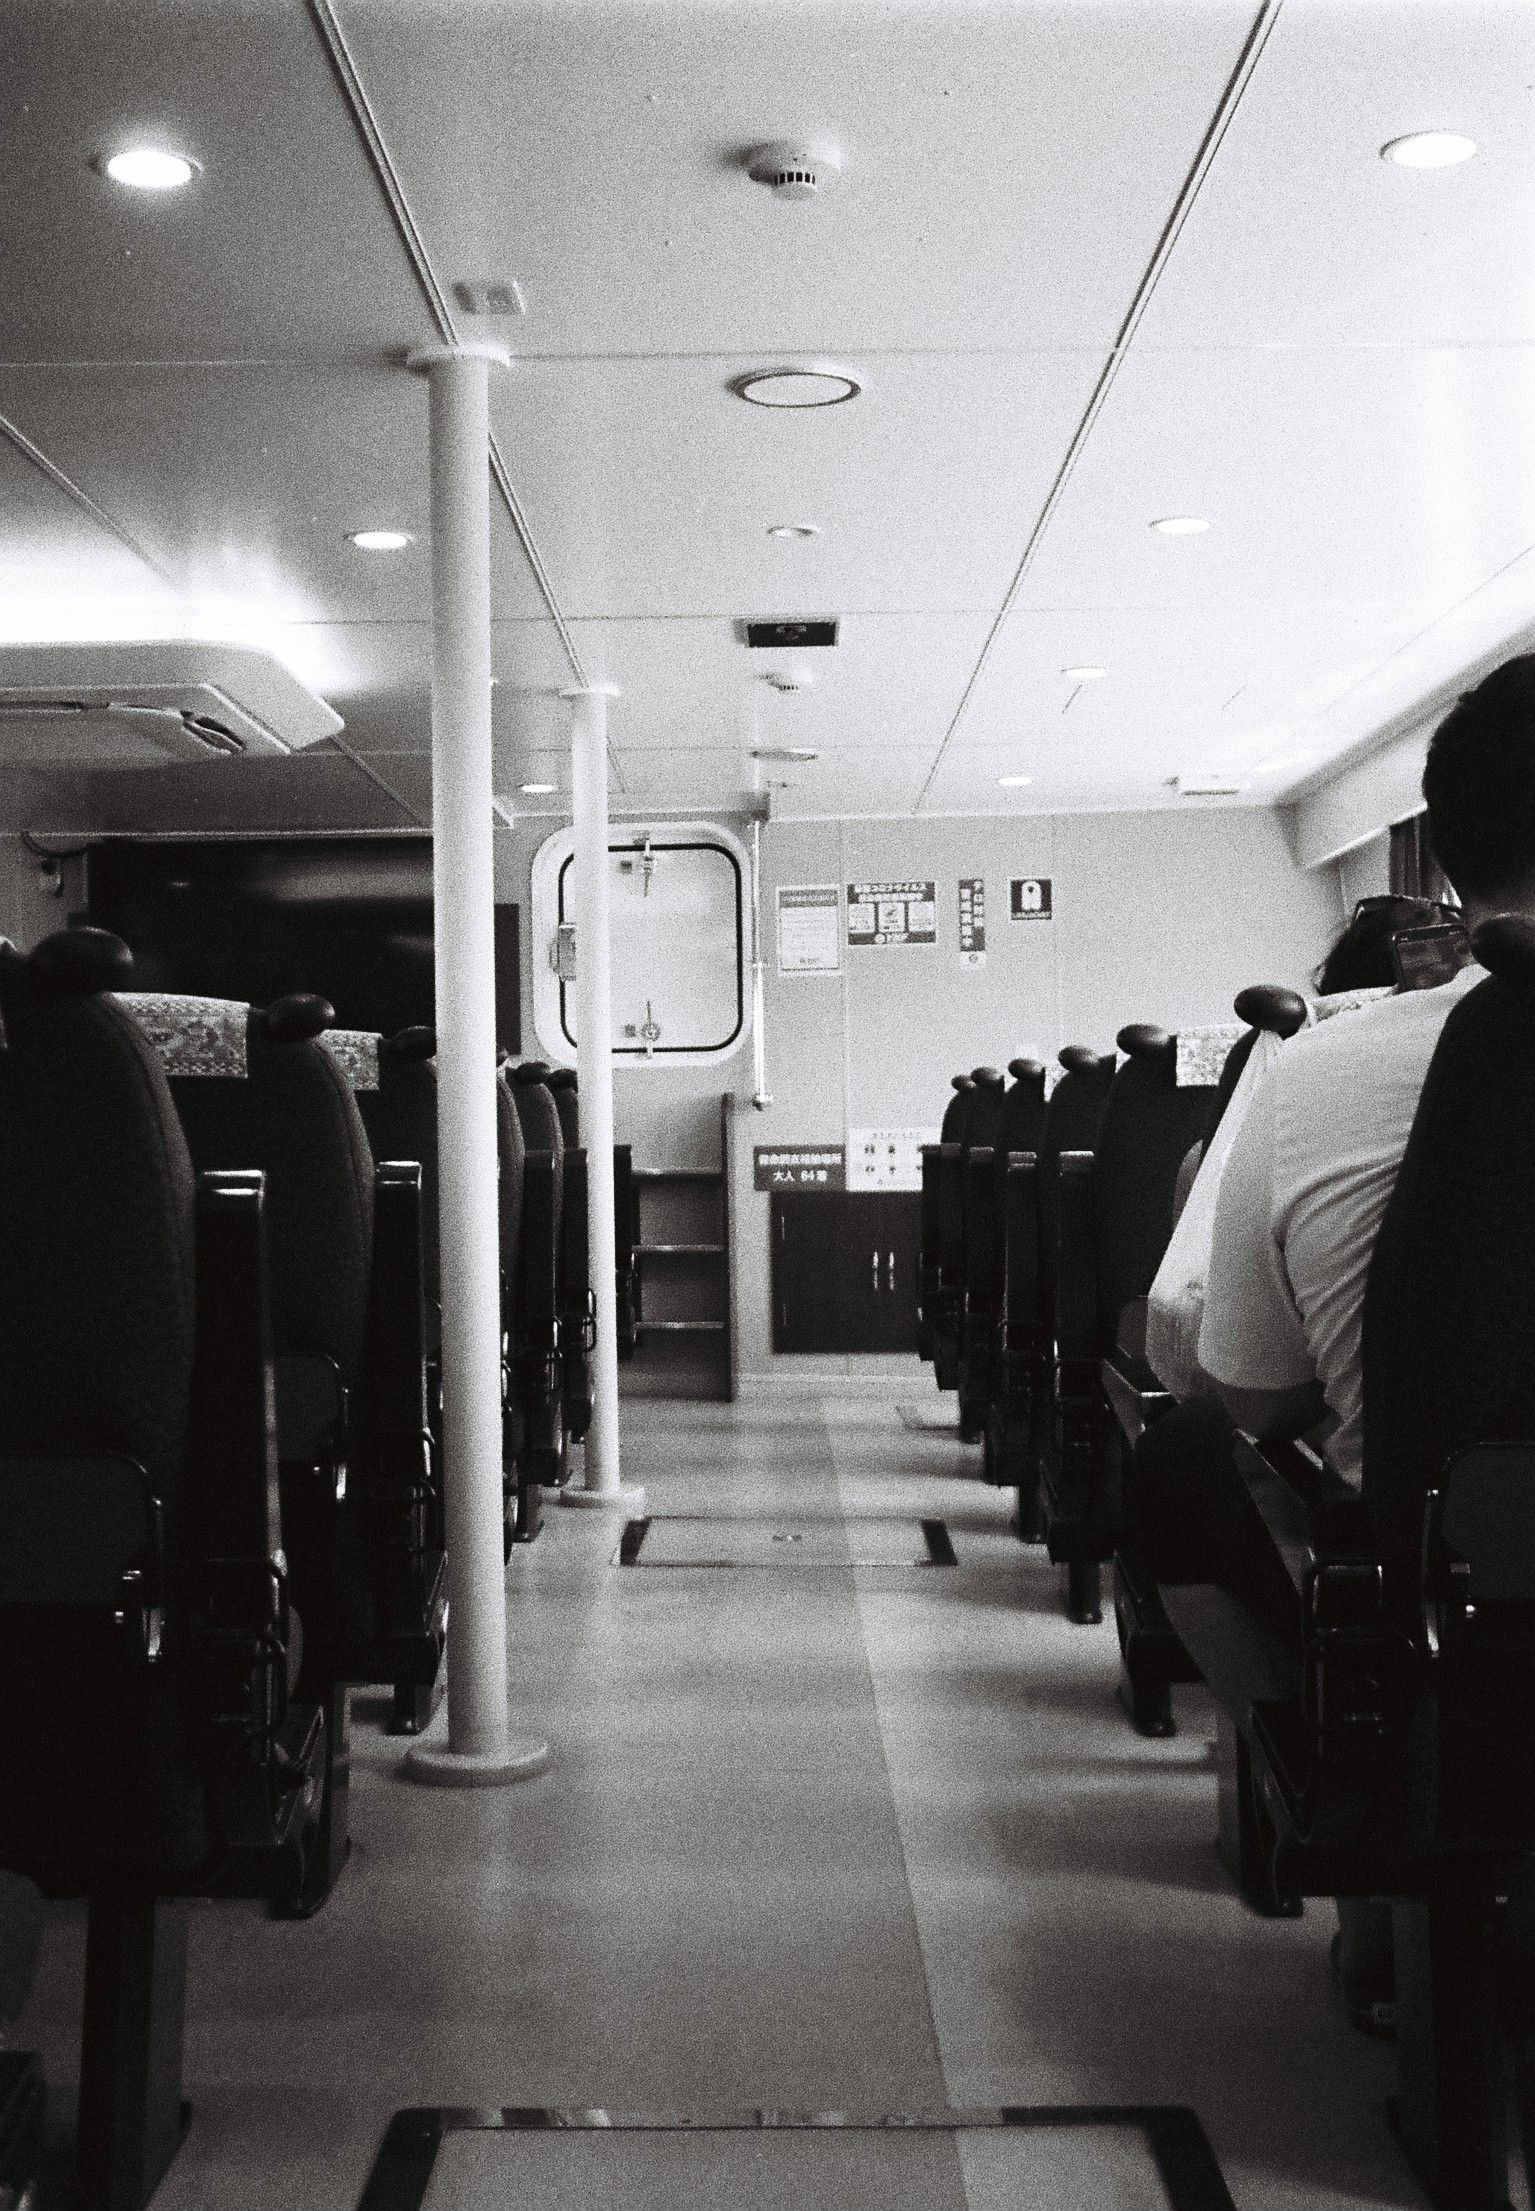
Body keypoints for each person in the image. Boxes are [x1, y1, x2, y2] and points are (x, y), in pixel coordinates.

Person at [1134, 654, 1535, 2026]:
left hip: (1467, 1596)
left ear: (1448, 862)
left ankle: (1369, 1863)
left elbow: (1242, 1393)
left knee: (1181, 1468)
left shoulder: (1320, 1072)